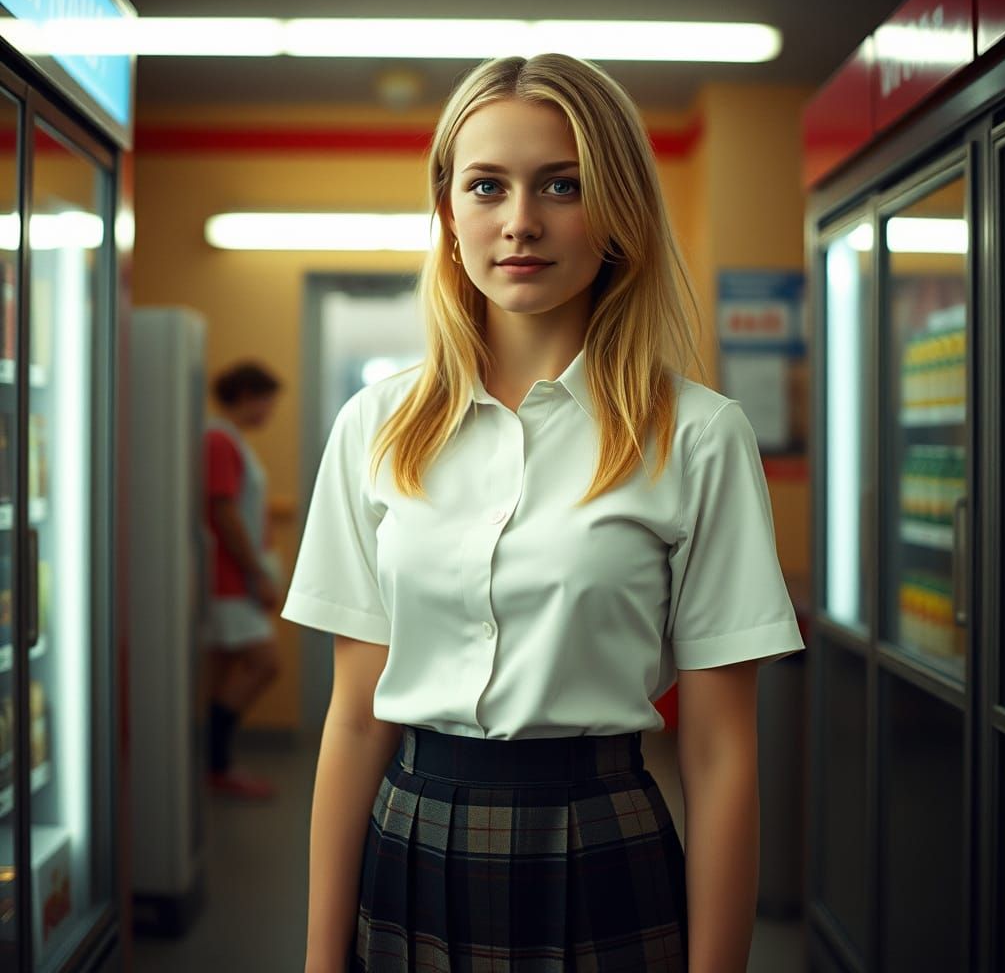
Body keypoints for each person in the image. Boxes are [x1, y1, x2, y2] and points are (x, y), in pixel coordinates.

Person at [283, 53, 805, 972]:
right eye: (487, 186)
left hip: (601, 845)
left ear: (618, 212)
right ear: (449, 214)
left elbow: (722, 754)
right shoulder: (375, 427)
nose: (521, 221)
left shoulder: (698, 436)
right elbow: (357, 718)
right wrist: (323, 962)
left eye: (562, 185)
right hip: (408, 842)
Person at [205, 360, 284, 800]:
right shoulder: (219, 439)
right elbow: (224, 511)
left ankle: (216, 762)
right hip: (229, 581)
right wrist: (257, 574)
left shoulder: (229, 440)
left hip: (234, 579)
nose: (270, 410)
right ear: (247, 396)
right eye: (267, 400)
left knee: (221, 673)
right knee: (265, 663)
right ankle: (216, 762)